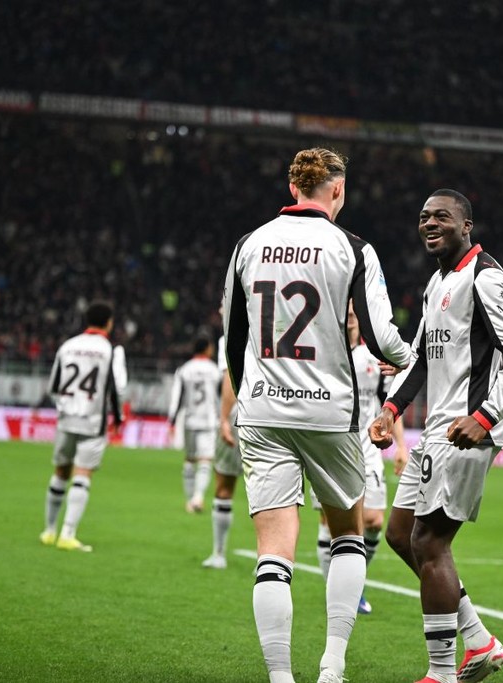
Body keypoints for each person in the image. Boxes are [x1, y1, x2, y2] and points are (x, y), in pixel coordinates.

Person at [222, 147, 412, 683]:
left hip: (262, 410)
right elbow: (380, 337)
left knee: (273, 552)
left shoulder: (248, 245)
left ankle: (280, 677)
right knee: (347, 534)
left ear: (293, 188)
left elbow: (233, 339)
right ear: (338, 190)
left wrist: (251, 396)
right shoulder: (353, 248)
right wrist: (412, 359)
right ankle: (332, 665)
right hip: (328, 413)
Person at [369, 189, 503, 683]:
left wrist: (485, 416)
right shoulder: (437, 281)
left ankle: (440, 674)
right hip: (437, 430)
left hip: (466, 431)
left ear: (466, 226)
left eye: (442, 216)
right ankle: (479, 640)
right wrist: (390, 410)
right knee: (401, 535)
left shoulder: (486, 277)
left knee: (430, 542)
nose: (429, 223)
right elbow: (422, 356)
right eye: (424, 217)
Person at [312, 302, 409, 614]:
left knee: (373, 521)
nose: (351, 318)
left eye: (355, 314)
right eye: (347, 313)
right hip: (331, 446)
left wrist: (401, 446)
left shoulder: (374, 358)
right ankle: (339, 593)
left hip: (368, 447)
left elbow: (388, 404)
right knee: (331, 521)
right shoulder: (325, 354)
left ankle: (352, 583)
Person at [40, 300, 127, 552]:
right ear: (109, 323)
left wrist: (65, 406)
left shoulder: (68, 346)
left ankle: (49, 531)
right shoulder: (111, 350)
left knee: (60, 472)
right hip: (93, 421)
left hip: (67, 419)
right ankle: (68, 534)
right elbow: (118, 388)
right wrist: (118, 418)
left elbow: (53, 386)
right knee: (82, 475)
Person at [201, 333, 244, 569]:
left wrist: (224, 419)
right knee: (271, 493)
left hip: (241, 413)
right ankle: (270, 558)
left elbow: (230, 377)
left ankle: (218, 554)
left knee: (225, 485)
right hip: (274, 413)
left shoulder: (229, 333)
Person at [167, 336, 221, 514]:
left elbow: (177, 397)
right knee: (205, 460)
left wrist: (172, 421)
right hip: (209, 421)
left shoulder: (184, 370)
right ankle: (198, 497)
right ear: (206, 349)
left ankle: (190, 500)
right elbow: (219, 397)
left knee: (190, 459)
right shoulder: (215, 370)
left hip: (190, 420)